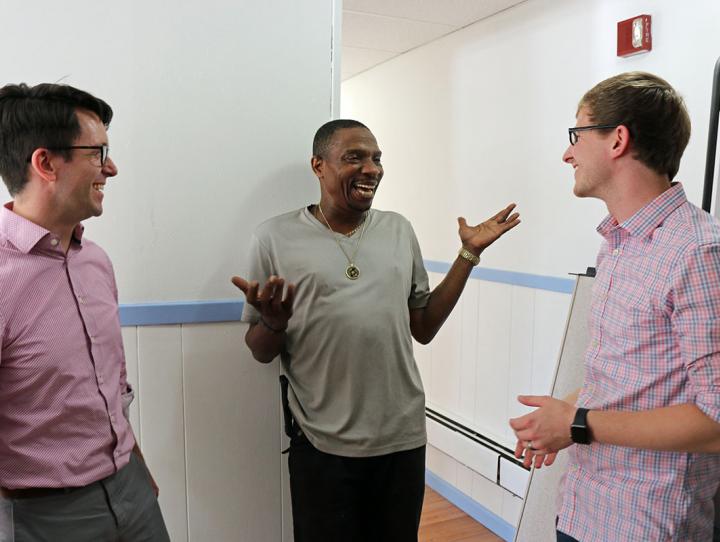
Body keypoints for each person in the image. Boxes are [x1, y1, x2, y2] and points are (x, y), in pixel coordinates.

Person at [232, 119, 520, 541]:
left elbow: (422, 327)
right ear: (319, 166)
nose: (372, 169)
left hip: (401, 437)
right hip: (322, 443)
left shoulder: (398, 229)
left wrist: (467, 254)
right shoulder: (273, 238)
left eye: (377, 158)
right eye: (355, 157)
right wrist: (274, 324)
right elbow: (259, 350)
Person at [509, 72, 720, 541]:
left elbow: (716, 420)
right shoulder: (618, 244)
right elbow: (630, 377)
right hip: (585, 508)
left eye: (576, 134)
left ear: (617, 139)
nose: (568, 153)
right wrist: (558, 416)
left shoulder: (698, 252)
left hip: (645, 525)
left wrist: (578, 423)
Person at [0, 83, 170, 542]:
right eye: (98, 153)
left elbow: (111, 387)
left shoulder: (95, 261)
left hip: (132, 492)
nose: (111, 168)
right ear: (46, 163)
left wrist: (136, 468)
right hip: (43, 516)